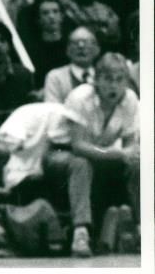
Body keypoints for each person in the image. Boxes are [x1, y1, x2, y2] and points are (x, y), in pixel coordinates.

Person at [44, 52, 140, 257]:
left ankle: (143, 227)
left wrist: (130, 156)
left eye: (119, 79)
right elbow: (78, 146)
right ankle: (81, 232)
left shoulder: (131, 99)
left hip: (97, 154)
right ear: (96, 80)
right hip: (61, 153)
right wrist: (119, 154)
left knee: (138, 165)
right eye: (107, 79)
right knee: (81, 163)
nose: (114, 85)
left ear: (127, 81)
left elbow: (130, 148)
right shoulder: (80, 97)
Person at [43, 25, 100, 104]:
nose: (81, 46)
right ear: (67, 50)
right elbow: (53, 111)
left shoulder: (103, 76)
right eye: (75, 43)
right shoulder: (55, 77)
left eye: (86, 42)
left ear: (97, 49)